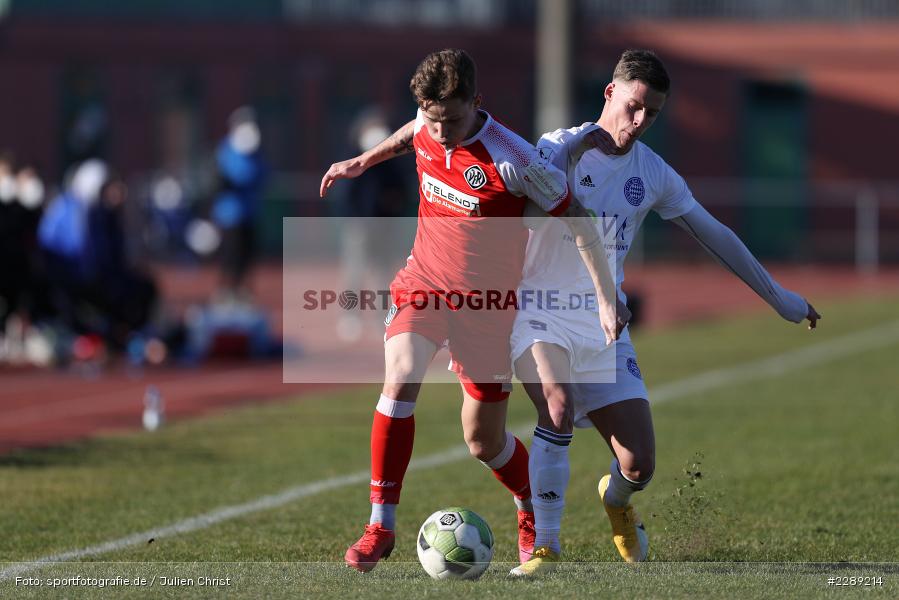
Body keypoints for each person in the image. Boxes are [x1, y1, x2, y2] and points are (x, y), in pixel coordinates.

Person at [508, 49, 821, 576]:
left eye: (651, 114)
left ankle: (616, 500)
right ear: (610, 93)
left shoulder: (653, 172)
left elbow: (713, 234)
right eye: (633, 106)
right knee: (555, 408)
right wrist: (581, 147)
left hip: (606, 324)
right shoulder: (559, 147)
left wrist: (780, 298)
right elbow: (531, 209)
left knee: (639, 464)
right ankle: (547, 548)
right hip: (540, 310)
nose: (639, 122)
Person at [319, 48, 620, 573]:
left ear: (477, 102)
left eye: (452, 120)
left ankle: (527, 505)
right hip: (424, 282)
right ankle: (379, 527)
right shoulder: (427, 122)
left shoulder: (517, 159)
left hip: (487, 307)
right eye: (433, 119)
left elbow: (578, 217)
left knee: (484, 441)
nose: (439, 132)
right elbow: (409, 134)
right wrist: (359, 163)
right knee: (401, 378)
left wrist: (605, 298)